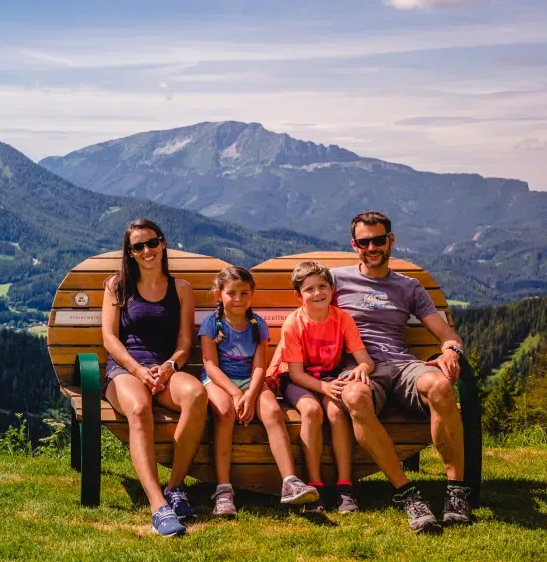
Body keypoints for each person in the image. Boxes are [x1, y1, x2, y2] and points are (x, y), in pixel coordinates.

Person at [333, 210, 472, 532]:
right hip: (359, 368)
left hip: (403, 364)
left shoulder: (409, 288)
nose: (372, 247)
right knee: (354, 396)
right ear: (354, 245)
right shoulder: (335, 280)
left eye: (378, 240)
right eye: (364, 242)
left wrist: (451, 351)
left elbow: (448, 335)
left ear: (390, 240)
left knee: (439, 386)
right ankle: (408, 493)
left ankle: (455, 492)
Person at [101, 218, 208, 537]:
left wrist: (169, 367)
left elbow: (185, 344)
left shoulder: (181, 289)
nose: (146, 250)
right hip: (125, 370)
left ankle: (175, 486)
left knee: (196, 395)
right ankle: (158, 505)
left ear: (163, 243)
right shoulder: (116, 286)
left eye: (152, 242)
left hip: (165, 371)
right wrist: (136, 370)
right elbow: (110, 337)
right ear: (130, 252)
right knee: (138, 410)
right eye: (138, 246)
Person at [200, 265, 320, 517]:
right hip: (220, 382)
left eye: (244, 293)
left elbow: (259, 366)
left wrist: (251, 395)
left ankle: (289, 481)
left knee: (274, 412)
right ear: (218, 294)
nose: (238, 299)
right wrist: (235, 394)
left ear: (252, 294)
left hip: (251, 382)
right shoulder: (212, 324)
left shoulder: (258, 325)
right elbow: (210, 366)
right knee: (223, 413)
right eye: (231, 293)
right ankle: (223, 489)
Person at [268, 260, 375, 514]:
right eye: (310, 289)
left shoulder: (342, 319)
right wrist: (323, 389)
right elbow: (295, 372)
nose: (318, 293)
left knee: (337, 412)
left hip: (330, 376)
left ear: (331, 289)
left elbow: (365, 360)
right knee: (311, 411)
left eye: (323, 286)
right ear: (298, 295)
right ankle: (313, 485)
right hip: (296, 378)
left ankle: (345, 486)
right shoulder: (294, 324)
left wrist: (362, 368)